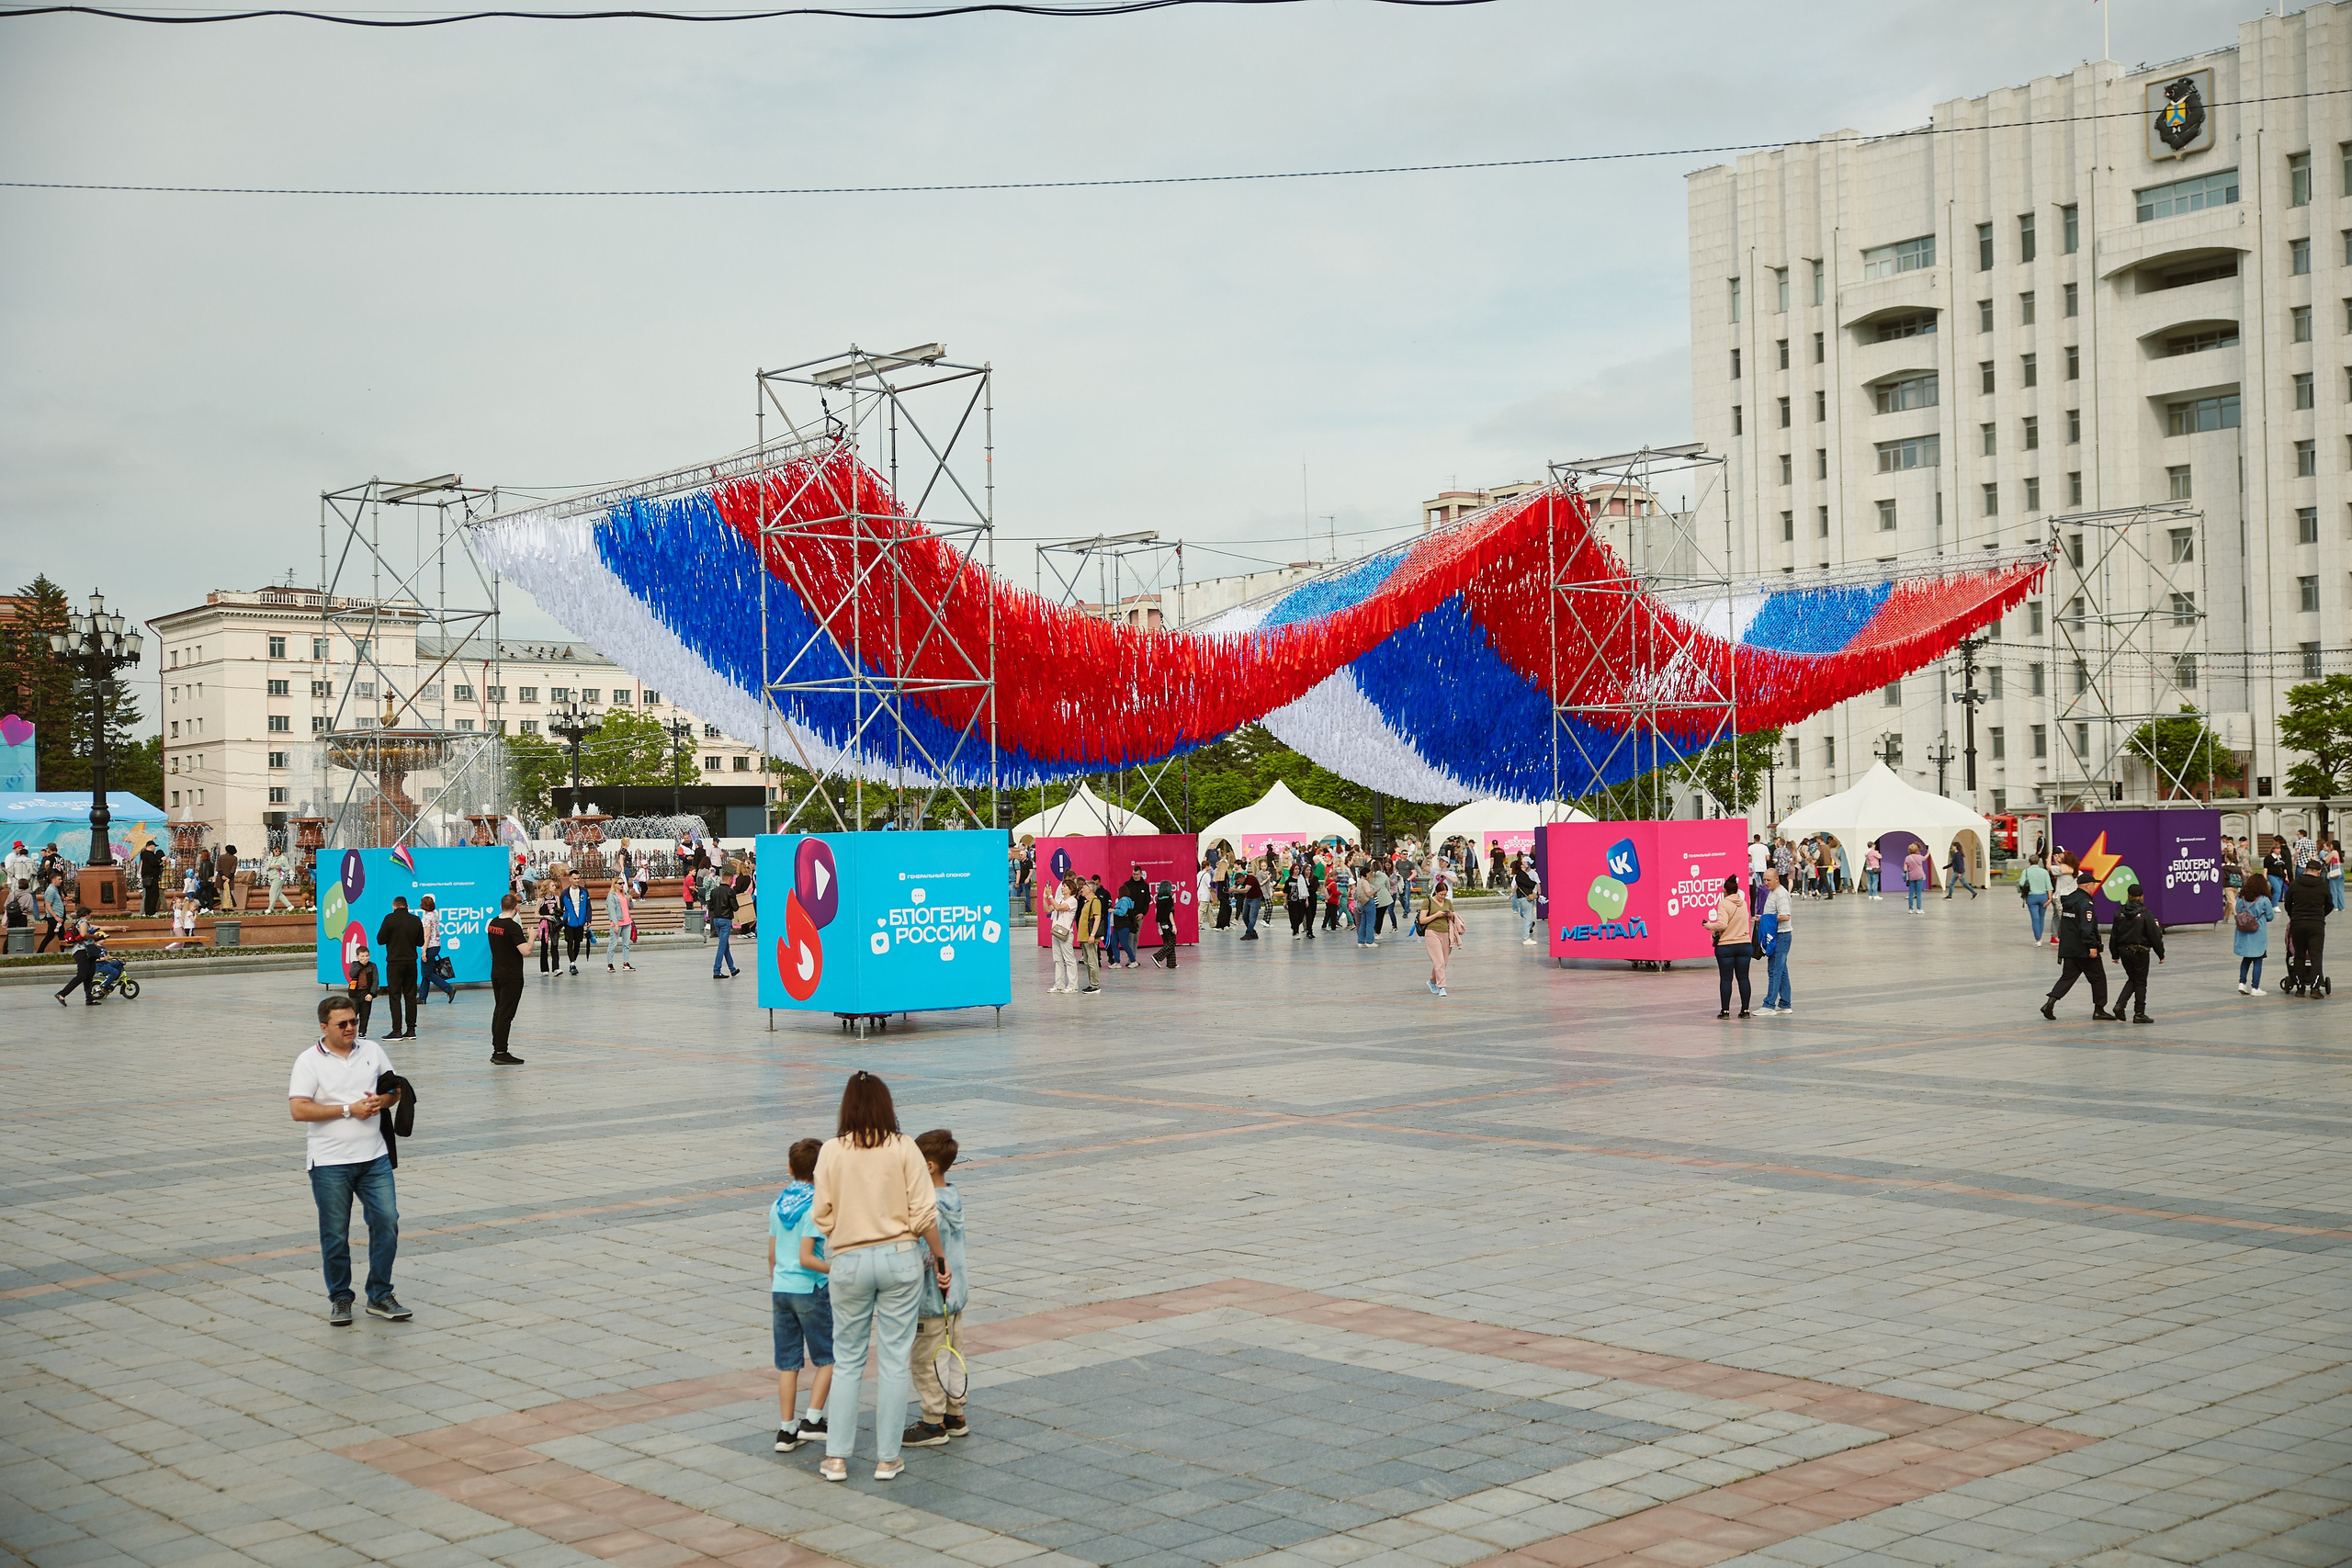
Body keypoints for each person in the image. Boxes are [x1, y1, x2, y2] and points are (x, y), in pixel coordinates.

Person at [812, 1072, 951, 1483]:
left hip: (850, 1260)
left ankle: (836, 1457)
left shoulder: (832, 1152)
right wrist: (940, 1257)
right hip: (900, 1257)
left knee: (848, 1360)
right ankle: (887, 1459)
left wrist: (844, 1231)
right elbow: (925, 1213)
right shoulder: (904, 1148)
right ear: (886, 1105)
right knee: (893, 1362)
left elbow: (821, 1213)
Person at [288, 993, 409, 1325]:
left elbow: (395, 1090)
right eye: (342, 1023)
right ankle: (340, 1297)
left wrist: (382, 1101)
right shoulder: (308, 1061)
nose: (350, 1028)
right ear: (324, 1027)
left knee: (387, 1221)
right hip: (329, 1162)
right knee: (335, 1234)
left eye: (354, 1021)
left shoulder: (372, 1051)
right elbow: (298, 1109)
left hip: (374, 1158)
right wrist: (348, 1109)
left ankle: (380, 1294)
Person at [902, 1128, 969, 1449]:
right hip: (956, 1299)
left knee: (928, 1361)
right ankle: (955, 1414)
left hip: (931, 1301)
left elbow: (925, 1256)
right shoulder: (952, 1197)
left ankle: (933, 1422)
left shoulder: (927, 1207)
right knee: (953, 1354)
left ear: (928, 1166)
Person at [769, 1137, 835, 1452]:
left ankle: (786, 1430)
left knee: (788, 1363)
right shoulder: (814, 1207)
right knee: (828, 1357)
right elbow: (807, 1258)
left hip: (780, 1289)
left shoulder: (779, 1204)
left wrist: (778, 1280)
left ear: (789, 1168)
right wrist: (836, 1271)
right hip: (809, 1290)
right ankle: (812, 1420)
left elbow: (772, 1255)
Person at [2041, 875, 2111, 1020]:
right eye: (2093, 885)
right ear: (2086, 886)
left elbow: (2065, 925)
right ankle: (2099, 1009)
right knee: (2098, 978)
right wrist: (2092, 946)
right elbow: (2086, 927)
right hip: (2083, 949)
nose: (2094, 887)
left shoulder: (2069, 900)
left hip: (2069, 948)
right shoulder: (2085, 903)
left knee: (2067, 977)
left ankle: (2050, 1003)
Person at [2109, 884, 2166, 1023]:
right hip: (2140, 951)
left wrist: (2114, 954)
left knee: (2132, 979)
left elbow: (2114, 934)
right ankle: (2139, 1013)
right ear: (2141, 897)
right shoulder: (2145, 913)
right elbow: (2154, 935)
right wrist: (2161, 953)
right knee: (2140, 982)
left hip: (2123, 951)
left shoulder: (2119, 911)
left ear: (2128, 896)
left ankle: (2120, 1005)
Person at [486, 893, 529, 1065]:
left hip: (497, 973)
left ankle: (497, 1047)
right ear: (516, 908)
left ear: (500, 906)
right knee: (506, 1015)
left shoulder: (493, 924)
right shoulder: (512, 927)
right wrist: (532, 936)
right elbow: (525, 950)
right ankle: (501, 1051)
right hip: (511, 976)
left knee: (499, 1011)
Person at [375, 895, 426, 1041]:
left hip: (394, 963)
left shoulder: (389, 919)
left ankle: (396, 1030)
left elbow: (380, 940)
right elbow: (420, 941)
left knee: (395, 996)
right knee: (410, 996)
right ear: (407, 906)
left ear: (394, 906)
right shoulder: (415, 920)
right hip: (411, 962)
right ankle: (411, 1030)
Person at [1704, 874, 1754, 1019]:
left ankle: (1725, 1011)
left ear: (1725, 890)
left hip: (1727, 946)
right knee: (1744, 978)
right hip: (1744, 944)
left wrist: (1709, 926)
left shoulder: (1724, 903)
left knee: (1726, 979)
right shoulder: (1743, 903)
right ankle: (1745, 1010)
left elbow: (1722, 924)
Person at [2282, 858, 2332, 997]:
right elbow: (2329, 904)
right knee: (2316, 956)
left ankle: (2300, 987)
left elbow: (2288, 903)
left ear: (2305, 870)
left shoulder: (2295, 884)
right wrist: (2321, 915)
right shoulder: (2322, 886)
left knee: (2299, 956)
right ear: (2318, 871)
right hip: (2316, 924)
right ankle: (2315, 988)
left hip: (2298, 923)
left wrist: (2293, 915)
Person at [2233, 862, 2276, 995]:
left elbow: (2236, 910)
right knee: (2258, 959)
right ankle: (2255, 987)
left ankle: (2242, 983)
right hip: (2258, 932)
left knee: (2246, 958)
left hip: (2242, 932)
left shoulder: (2241, 898)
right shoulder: (2264, 900)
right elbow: (2270, 916)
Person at [1758, 866, 1794, 1014]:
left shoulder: (1781, 894)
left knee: (1774, 970)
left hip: (1781, 936)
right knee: (1781, 970)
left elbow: (1785, 915)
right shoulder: (1773, 892)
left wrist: (1767, 918)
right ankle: (1785, 1003)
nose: (1766, 882)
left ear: (1776, 879)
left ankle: (1769, 1005)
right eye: (1764, 879)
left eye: (1768, 880)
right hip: (1775, 935)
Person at [1418, 879, 1461, 996]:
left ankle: (1432, 981)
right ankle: (1441, 987)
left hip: (1446, 933)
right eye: (1441, 894)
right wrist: (1437, 915)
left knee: (1443, 962)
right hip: (1432, 932)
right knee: (1439, 961)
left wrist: (1450, 914)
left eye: (1445, 895)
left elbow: (1453, 917)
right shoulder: (1428, 902)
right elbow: (1422, 920)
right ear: (1436, 892)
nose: (1443, 897)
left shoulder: (1448, 902)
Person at [53, 912, 105, 1006]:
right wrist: (94, 937)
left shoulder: (86, 923)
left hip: (89, 951)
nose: (91, 916)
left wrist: (118, 927)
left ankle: (89, 999)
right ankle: (62, 994)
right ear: (87, 914)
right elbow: (83, 934)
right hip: (82, 951)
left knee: (89, 974)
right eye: (90, 914)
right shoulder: (83, 922)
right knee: (82, 975)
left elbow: (101, 927)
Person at [1046, 874, 1079, 993]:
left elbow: (1059, 908)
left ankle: (1072, 985)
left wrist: (1050, 896)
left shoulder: (1073, 901)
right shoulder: (1059, 899)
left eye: (1065, 886)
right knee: (1057, 959)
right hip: (1056, 932)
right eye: (1062, 886)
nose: (1062, 888)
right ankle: (1059, 984)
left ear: (1071, 889)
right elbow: (1047, 909)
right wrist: (1046, 898)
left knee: (1069, 959)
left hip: (1066, 933)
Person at [707, 873, 741, 979]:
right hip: (726, 920)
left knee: (725, 944)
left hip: (716, 919)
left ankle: (732, 969)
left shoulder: (714, 891)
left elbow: (710, 906)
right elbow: (735, 907)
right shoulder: (730, 892)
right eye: (732, 880)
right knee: (722, 945)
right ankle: (716, 970)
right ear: (730, 879)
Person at [1074, 875, 1104, 993]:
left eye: (1084, 887)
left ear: (1090, 889)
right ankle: (1092, 983)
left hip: (1089, 937)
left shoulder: (1095, 902)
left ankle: (1095, 985)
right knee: (1087, 962)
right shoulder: (1087, 902)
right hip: (1084, 937)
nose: (1082, 889)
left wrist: (1092, 935)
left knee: (1092, 961)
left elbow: (1097, 919)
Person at [559, 876, 592, 976]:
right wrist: (561, 919)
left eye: (578, 878)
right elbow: (561, 907)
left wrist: (588, 919)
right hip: (569, 922)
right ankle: (572, 964)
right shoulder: (564, 893)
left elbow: (588, 906)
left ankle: (573, 961)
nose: (577, 880)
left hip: (580, 921)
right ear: (570, 879)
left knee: (577, 942)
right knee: (570, 941)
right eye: (575, 878)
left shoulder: (584, 891)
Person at [346, 944, 380, 1035]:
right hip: (355, 994)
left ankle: (362, 1032)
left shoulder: (372, 966)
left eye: (367, 956)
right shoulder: (355, 964)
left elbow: (375, 980)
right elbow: (352, 974)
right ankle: (350, 1031)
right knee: (352, 1013)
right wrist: (360, 965)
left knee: (365, 1014)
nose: (365, 958)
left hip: (367, 993)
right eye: (362, 956)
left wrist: (371, 994)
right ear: (357, 957)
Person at [2019, 854, 2053, 944]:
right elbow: (2049, 886)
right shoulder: (2044, 872)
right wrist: (2049, 899)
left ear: (2029, 862)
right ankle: (2040, 936)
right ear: (2038, 862)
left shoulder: (2026, 871)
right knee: (2041, 918)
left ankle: (2038, 939)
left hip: (2031, 897)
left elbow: (2021, 884)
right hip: (2043, 897)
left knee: (2035, 919)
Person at [605, 876, 635, 973]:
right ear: (615, 885)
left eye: (623, 883)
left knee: (626, 944)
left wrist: (630, 899)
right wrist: (615, 924)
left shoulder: (625, 894)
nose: (622, 885)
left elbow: (631, 907)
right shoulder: (611, 896)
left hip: (627, 922)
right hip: (618, 922)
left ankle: (626, 963)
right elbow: (612, 911)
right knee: (613, 944)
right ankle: (610, 964)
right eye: (620, 883)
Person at [1510, 854, 1542, 944]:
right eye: (1523, 862)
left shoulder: (1521, 874)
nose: (1525, 863)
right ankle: (1526, 937)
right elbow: (1530, 883)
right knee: (1527, 918)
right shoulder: (1520, 875)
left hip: (1524, 897)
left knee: (1527, 917)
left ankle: (1526, 935)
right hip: (1525, 897)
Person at [1150, 881, 1180, 969]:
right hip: (1167, 923)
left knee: (1167, 942)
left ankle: (1171, 963)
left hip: (1160, 923)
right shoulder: (1169, 899)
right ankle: (1157, 956)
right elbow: (1170, 913)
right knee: (1172, 941)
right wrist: (1174, 925)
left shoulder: (1159, 899)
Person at [535, 881, 561, 977]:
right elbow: (536, 915)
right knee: (544, 946)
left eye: (555, 885)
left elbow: (559, 911)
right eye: (552, 885)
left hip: (554, 924)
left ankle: (556, 967)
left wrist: (555, 912)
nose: (554, 887)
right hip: (544, 924)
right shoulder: (541, 900)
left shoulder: (556, 898)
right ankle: (544, 969)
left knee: (555, 945)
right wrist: (545, 916)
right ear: (547, 887)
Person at [137, 838, 164, 917]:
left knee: (148, 895)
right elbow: (154, 863)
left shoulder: (144, 854)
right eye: (154, 846)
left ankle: (148, 911)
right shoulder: (149, 854)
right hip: (152, 878)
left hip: (147, 878)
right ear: (151, 846)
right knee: (154, 895)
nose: (155, 848)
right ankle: (152, 912)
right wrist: (161, 860)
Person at [1901, 842, 1929, 913]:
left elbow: (1905, 869)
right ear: (1917, 850)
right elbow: (1925, 858)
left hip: (1911, 877)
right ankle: (1919, 909)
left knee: (1911, 894)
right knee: (1918, 893)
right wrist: (1928, 853)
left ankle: (1910, 909)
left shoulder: (1907, 858)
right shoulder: (1919, 857)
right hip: (1919, 876)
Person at [263, 845, 293, 911]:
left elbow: (288, 867)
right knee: (278, 893)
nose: (277, 852)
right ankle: (289, 905)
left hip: (279, 877)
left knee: (272, 891)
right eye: (276, 850)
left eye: (279, 851)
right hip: (271, 877)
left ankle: (270, 908)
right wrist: (270, 867)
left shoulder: (283, 858)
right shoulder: (270, 858)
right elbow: (266, 868)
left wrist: (281, 868)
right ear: (273, 851)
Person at [1237, 867, 1263, 940]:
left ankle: (1248, 933)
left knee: (1252, 917)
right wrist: (1229, 890)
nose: (1238, 883)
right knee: (1245, 916)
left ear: (1242, 878)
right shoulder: (1240, 880)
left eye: (1239, 881)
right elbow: (1234, 887)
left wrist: (1235, 890)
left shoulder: (1251, 878)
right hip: (1248, 898)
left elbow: (1245, 890)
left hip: (1256, 898)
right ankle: (1253, 933)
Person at [217, 844, 241, 912]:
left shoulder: (221, 857)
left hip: (221, 878)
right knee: (230, 892)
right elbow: (233, 869)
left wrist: (222, 876)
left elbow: (218, 867)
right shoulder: (234, 858)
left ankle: (223, 906)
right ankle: (229, 906)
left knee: (222, 892)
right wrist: (229, 877)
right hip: (230, 878)